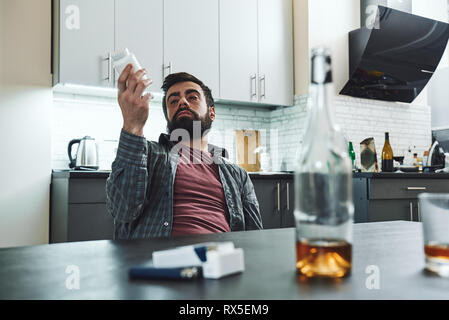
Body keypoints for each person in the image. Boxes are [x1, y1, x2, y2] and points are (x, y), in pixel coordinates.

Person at [106, 64, 263, 239]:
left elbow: (254, 236)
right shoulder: (146, 154)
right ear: (168, 117)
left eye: (193, 97)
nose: (182, 102)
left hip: (219, 260)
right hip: (159, 260)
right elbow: (123, 210)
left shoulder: (237, 175)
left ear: (212, 113)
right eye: (173, 101)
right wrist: (132, 126)